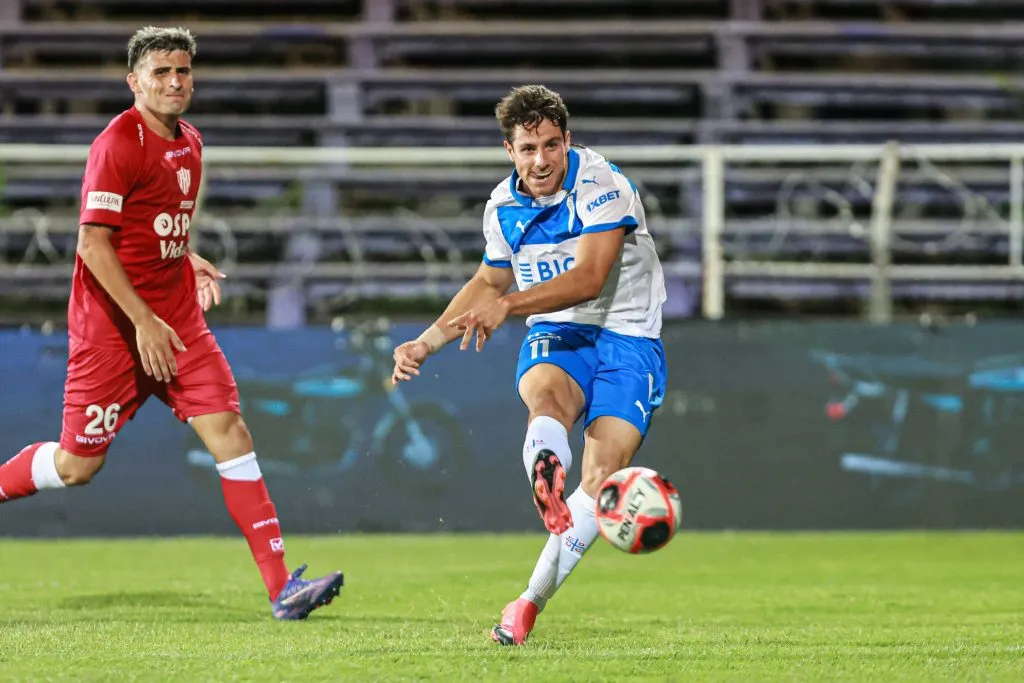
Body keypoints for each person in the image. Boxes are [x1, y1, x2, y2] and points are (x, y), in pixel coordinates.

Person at [0, 26, 343, 620]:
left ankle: (282, 588)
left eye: (182, 70)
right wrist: (141, 322)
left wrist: (186, 255)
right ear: (134, 82)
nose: (174, 81)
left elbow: (151, 223)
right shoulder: (117, 143)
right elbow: (92, 243)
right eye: (160, 72)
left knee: (231, 433)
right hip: (113, 331)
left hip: (177, 322)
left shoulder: (191, 141)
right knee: (77, 466)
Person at [391, 84, 667, 645]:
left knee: (601, 474)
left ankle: (526, 602)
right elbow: (489, 281)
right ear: (509, 151)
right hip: (558, 326)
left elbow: (588, 278)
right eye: (527, 149)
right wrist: (426, 342)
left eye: (550, 146)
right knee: (547, 396)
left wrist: (508, 305)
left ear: (568, 141)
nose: (540, 161)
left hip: (629, 332)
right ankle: (545, 466)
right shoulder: (503, 206)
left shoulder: (602, 186)